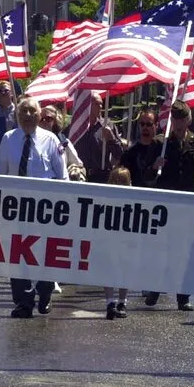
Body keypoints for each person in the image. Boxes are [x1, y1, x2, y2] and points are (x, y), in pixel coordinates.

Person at [0, 97, 68, 318]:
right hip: (16, 209)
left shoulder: (51, 140)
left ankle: (44, 295)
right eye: (23, 111)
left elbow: (62, 176)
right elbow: (0, 176)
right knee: (17, 255)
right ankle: (23, 302)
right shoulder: (8, 140)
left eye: (32, 112)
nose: (28, 115)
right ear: (17, 115)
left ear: (39, 115)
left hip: (45, 211)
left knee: (44, 253)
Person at [142, 100, 194, 312]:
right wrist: (155, 166)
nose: (179, 123)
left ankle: (184, 296)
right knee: (162, 248)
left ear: (188, 119)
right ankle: (155, 288)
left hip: (189, 201)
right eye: (176, 119)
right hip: (166, 201)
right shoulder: (160, 143)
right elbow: (146, 175)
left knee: (186, 251)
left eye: (182, 119)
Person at [72, 91, 125, 185]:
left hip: (101, 177)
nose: (100, 107)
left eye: (101, 104)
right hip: (79, 177)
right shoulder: (76, 127)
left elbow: (120, 154)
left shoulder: (108, 125)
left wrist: (111, 139)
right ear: (87, 105)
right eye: (96, 104)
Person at [103, 166, 133, 319]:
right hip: (113, 239)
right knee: (116, 270)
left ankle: (117, 302)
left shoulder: (133, 199)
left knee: (119, 270)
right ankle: (114, 302)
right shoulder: (107, 198)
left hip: (123, 240)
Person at [40, 105, 85, 182]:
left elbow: (77, 164)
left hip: (61, 187)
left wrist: (74, 172)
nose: (44, 121)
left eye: (48, 119)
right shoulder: (30, 141)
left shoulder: (63, 142)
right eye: (41, 119)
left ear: (55, 121)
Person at [119, 109, 161, 189]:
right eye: (142, 124)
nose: (145, 127)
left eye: (149, 124)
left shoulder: (162, 150)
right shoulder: (130, 153)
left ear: (156, 125)